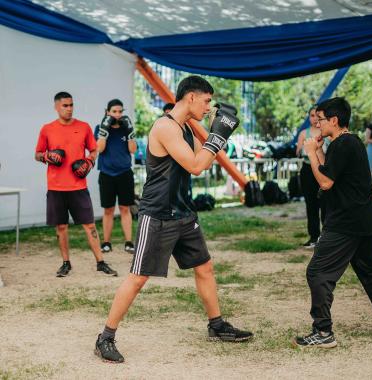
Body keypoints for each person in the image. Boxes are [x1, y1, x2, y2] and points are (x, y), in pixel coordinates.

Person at [94, 75, 253, 363]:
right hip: (158, 215)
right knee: (138, 278)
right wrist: (217, 135)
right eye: (206, 101)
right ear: (190, 97)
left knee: (204, 267)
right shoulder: (165, 127)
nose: (208, 107)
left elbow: (210, 157)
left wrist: (217, 132)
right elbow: (195, 165)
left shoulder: (186, 127)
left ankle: (216, 325)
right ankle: (105, 337)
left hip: (183, 212)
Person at [293, 97, 372, 349]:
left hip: (346, 222)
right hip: (362, 219)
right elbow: (330, 172)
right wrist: (318, 150)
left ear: (334, 120)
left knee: (318, 272)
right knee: (370, 274)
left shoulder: (343, 143)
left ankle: (323, 331)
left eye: (320, 119)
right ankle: (322, 330)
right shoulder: (346, 142)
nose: (317, 124)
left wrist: (310, 152)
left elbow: (325, 182)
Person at [35, 92, 118, 278]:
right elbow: (38, 154)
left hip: (78, 187)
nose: (69, 108)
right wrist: (47, 156)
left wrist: (89, 161)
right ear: (56, 107)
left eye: (71, 105)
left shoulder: (83, 127)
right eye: (65, 105)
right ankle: (66, 263)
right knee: (61, 227)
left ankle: (101, 262)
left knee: (89, 225)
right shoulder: (47, 129)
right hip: (56, 187)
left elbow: (95, 149)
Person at [94, 99, 137, 254]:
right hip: (107, 173)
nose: (118, 115)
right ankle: (106, 242)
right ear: (108, 112)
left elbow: (133, 150)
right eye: (114, 111)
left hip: (124, 173)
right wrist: (105, 129)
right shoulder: (99, 128)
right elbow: (99, 148)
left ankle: (128, 242)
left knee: (125, 208)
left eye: (120, 111)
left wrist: (130, 133)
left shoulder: (126, 128)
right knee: (108, 210)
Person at [296, 106, 327, 248]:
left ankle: (327, 237)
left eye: (317, 116)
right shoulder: (304, 133)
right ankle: (314, 237)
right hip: (308, 170)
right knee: (311, 205)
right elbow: (297, 152)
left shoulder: (326, 132)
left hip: (323, 169)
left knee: (326, 204)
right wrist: (305, 148)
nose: (315, 119)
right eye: (312, 115)